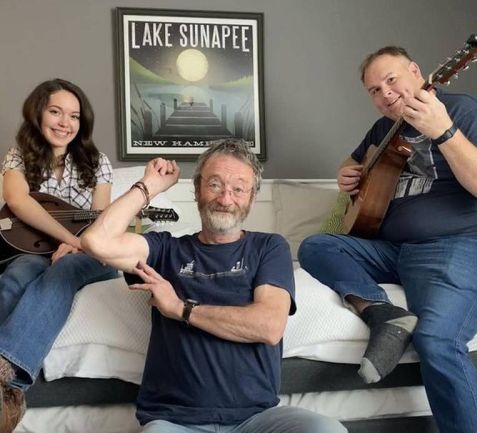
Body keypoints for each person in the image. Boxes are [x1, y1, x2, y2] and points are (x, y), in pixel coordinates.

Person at [80, 139, 347, 433]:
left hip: (255, 420)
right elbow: (96, 242)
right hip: (175, 421)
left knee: (328, 430)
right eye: (215, 185)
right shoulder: (165, 251)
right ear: (196, 190)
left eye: (238, 188)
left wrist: (181, 309)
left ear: (252, 198)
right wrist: (148, 187)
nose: (225, 198)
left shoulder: (268, 247)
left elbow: (269, 327)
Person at [298, 46, 477, 433]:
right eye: (374, 90)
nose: (385, 93)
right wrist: (347, 173)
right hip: (395, 250)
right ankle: (383, 314)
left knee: (438, 341)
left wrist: (444, 132)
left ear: (416, 72)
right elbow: (353, 161)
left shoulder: (463, 111)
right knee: (318, 245)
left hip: (463, 244)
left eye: (391, 80)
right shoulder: (383, 130)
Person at [0, 78, 118, 432]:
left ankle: (8, 373)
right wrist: (68, 237)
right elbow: (20, 203)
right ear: (38, 113)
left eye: (74, 116)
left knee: (63, 271)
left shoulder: (97, 163)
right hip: (37, 250)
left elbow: (100, 222)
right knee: (16, 275)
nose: (65, 122)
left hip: (89, 255)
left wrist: (79, 244)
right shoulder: (18, 157)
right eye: (55, 112)